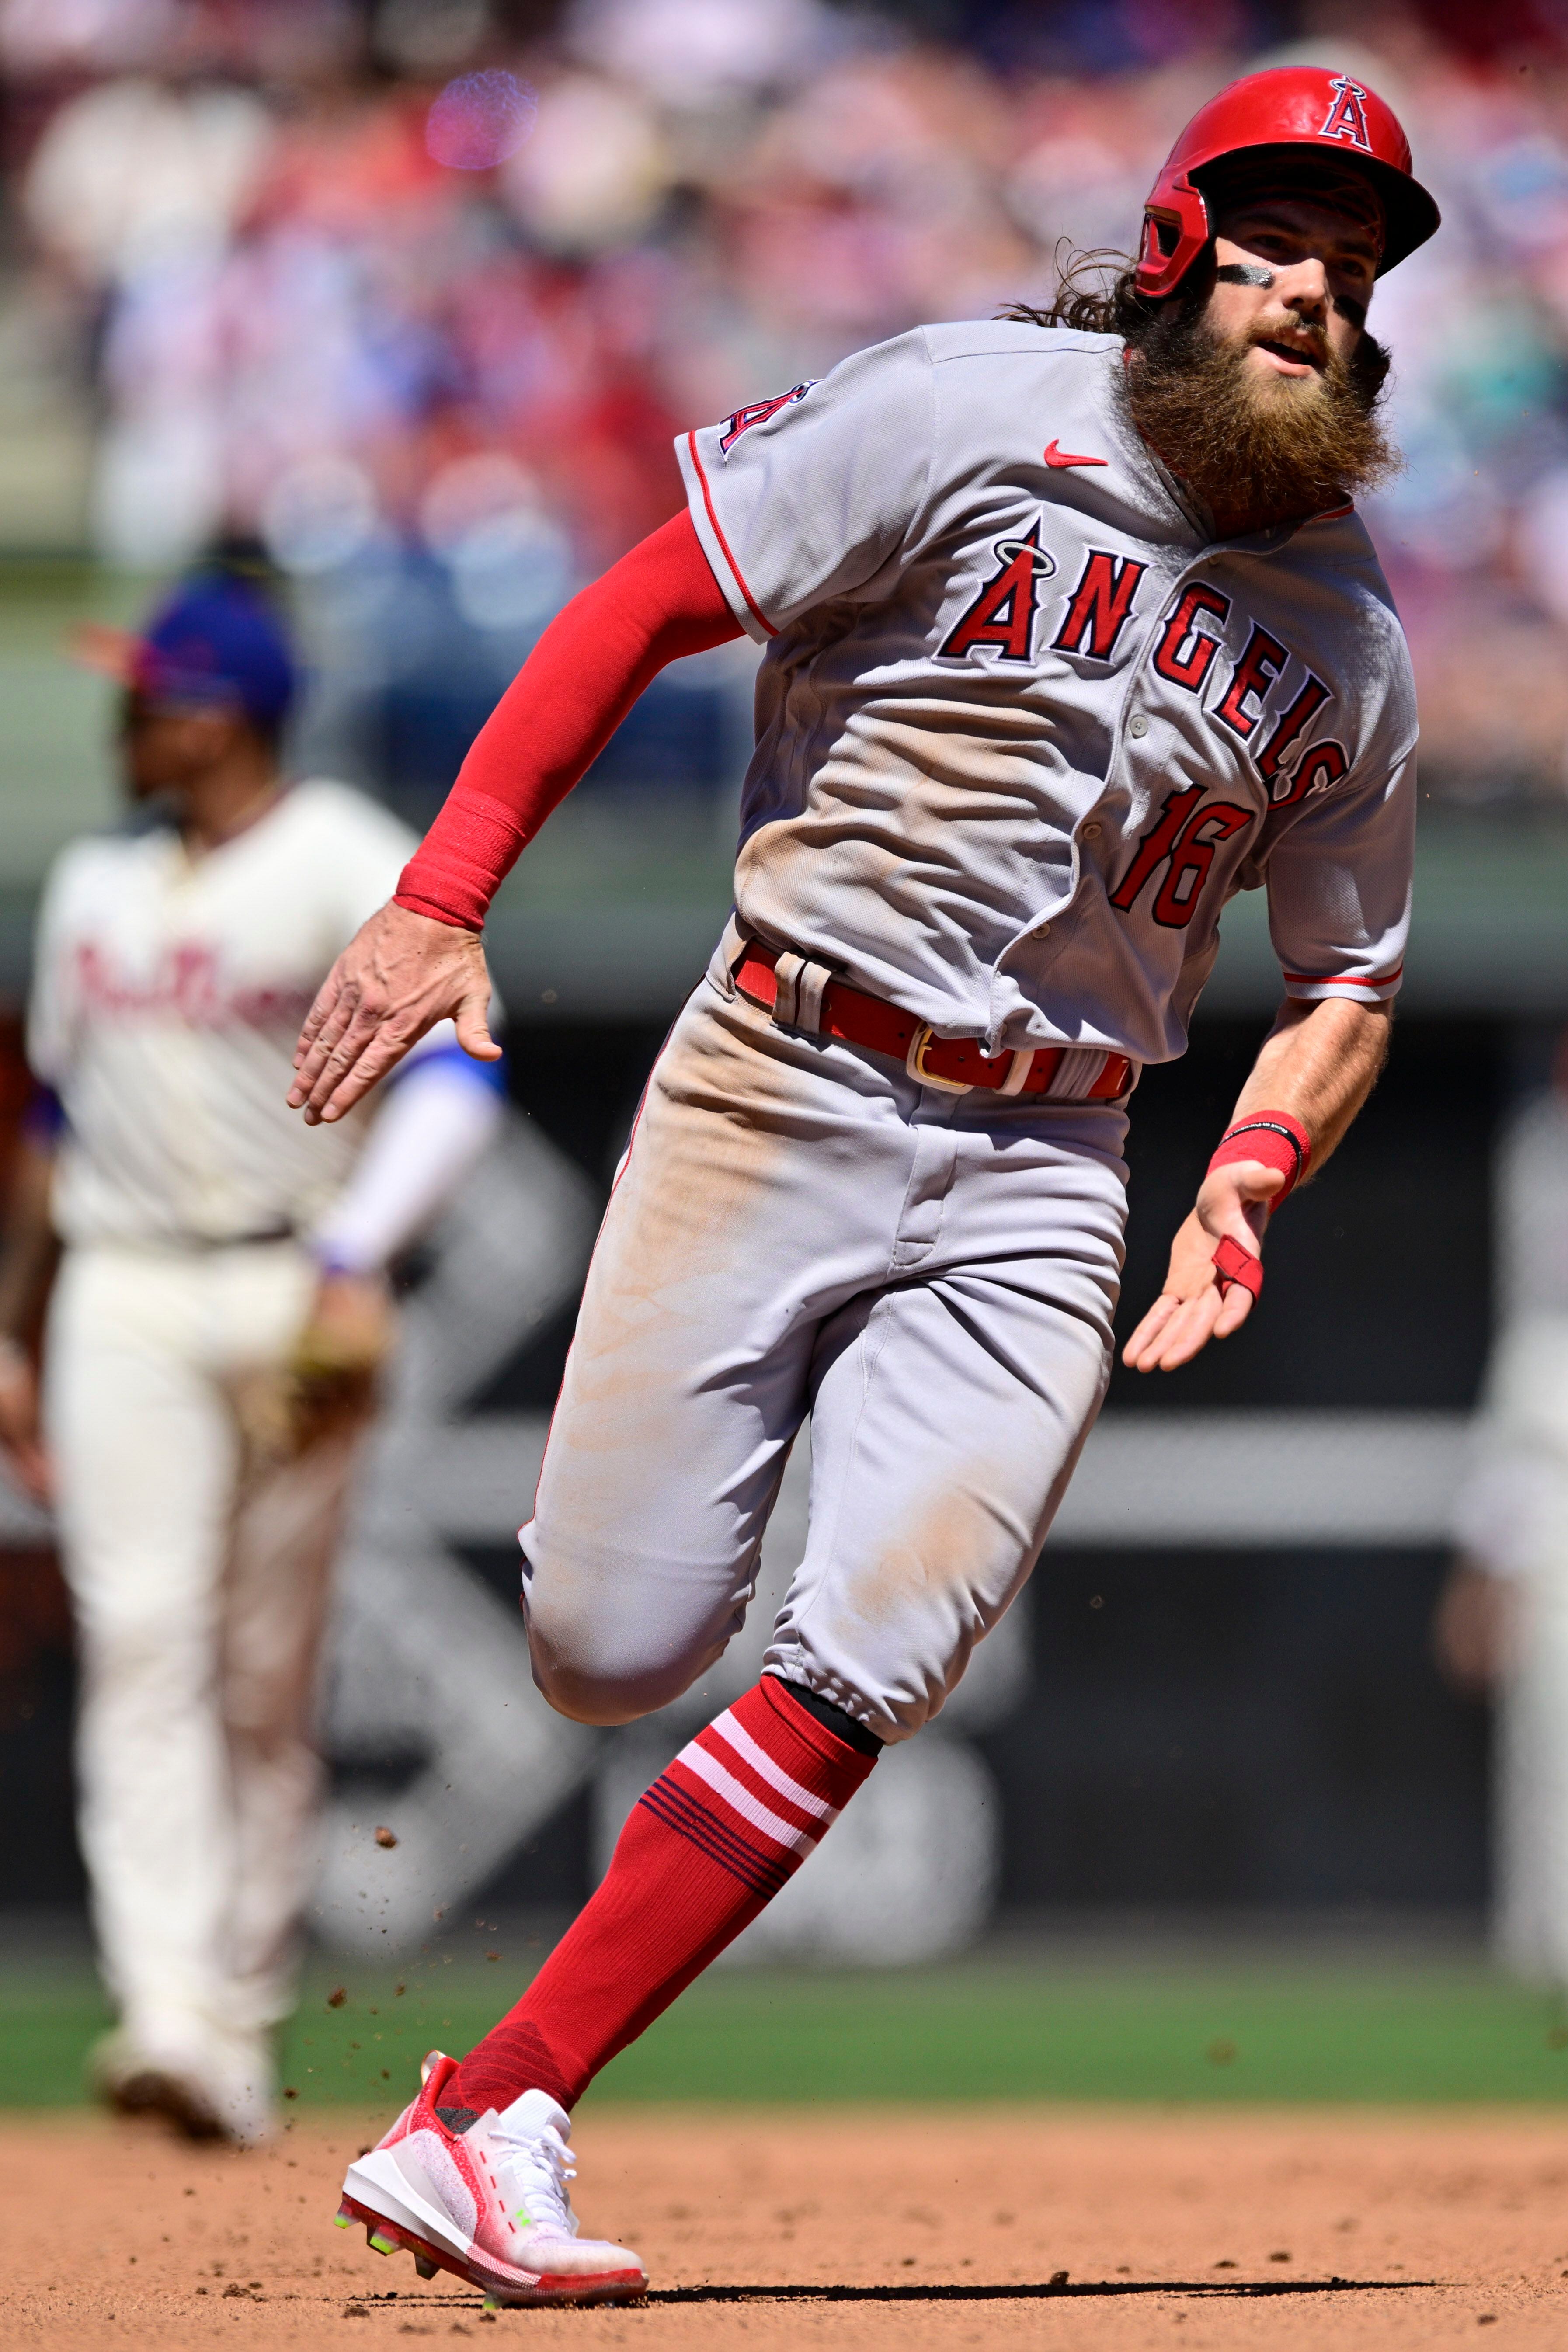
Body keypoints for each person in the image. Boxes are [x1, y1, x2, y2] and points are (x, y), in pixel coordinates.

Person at [289, 66, 1436, 2307]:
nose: (1319, 284)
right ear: (1184, 243)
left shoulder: (1353, 644)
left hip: (1048, 1152)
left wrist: (1257, 1173)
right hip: (780, 1068)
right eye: (1283, 236)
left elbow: (1351, 979)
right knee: (610, 1647)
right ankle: (498, 2056)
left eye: (1360, 260)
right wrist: (441, 897)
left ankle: (488, 2108)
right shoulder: (962, 409)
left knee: (877, 1639)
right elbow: (643, 598)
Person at [0, 566, 507, 2145]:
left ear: (216, 717)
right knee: (142, 1642)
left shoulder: (346, 858)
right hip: (126, 1292)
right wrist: (16, 1328)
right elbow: (50, 1131)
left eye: (147, 694)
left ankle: (235, 2016)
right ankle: (167, 2013)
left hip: (296, 1280)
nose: (123, 718)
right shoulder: (93, 881)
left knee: (259, 1677)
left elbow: (452, 1081)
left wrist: (358, 1255)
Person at [1436, 1036, 1568, 1984]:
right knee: (1552, 1768)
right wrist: (1480, 1589)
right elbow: (1516, 1481)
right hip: (1555, 1564)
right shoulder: (1544, 1349)